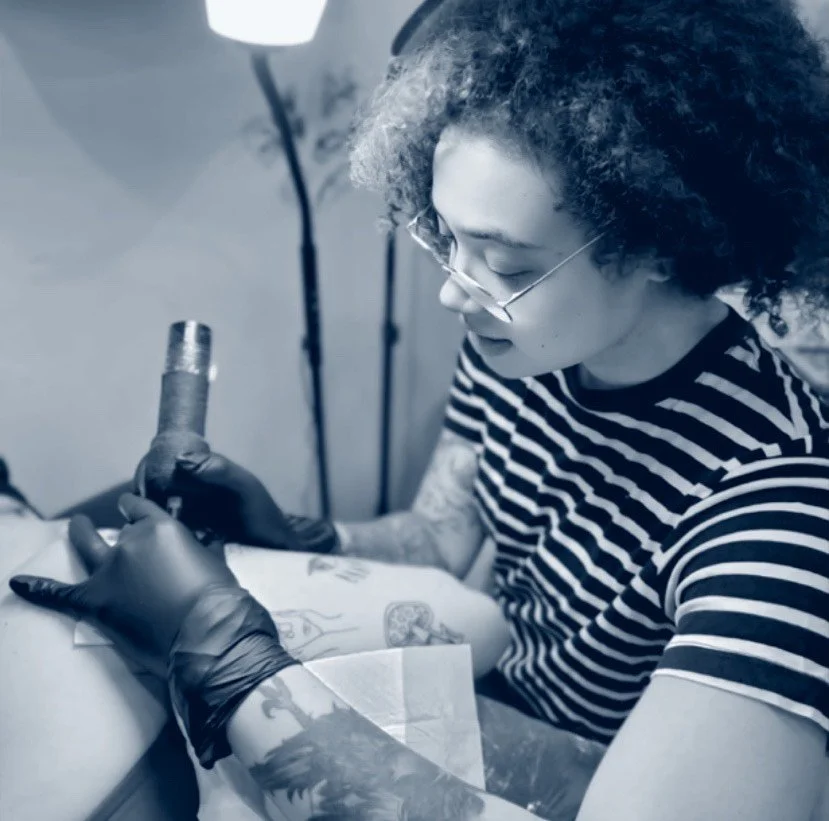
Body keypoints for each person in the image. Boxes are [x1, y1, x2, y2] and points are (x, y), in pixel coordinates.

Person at [11, 0, 829, 818]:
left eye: (505, 265)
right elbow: (444, 536)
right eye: (446, 238)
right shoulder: (531, 344)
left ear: (662, 243)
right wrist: (300, 534)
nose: (452, 291)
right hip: (486, 700)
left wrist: (226, 656)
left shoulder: (780, 519)